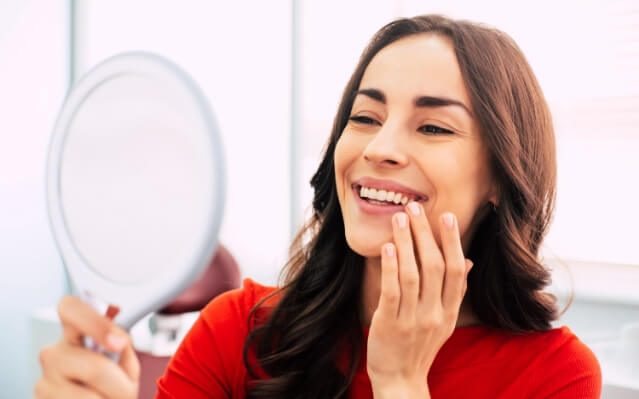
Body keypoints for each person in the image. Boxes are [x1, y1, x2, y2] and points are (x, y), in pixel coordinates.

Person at [35, 14, 601, 399]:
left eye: (432, 126)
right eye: (364, 118)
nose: (379, 149)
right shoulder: (236, 332)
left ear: (501, 177)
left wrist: (401, 382)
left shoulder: (555, 377)